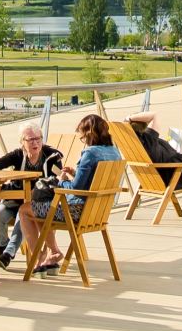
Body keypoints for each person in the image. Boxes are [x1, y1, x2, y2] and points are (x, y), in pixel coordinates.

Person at [20, 114, 121, 274]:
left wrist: (61, 180)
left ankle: (39, 257)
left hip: (75, 211)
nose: (82, 139)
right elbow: (90, 182)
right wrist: (74, 173)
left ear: (89, 134)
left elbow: (76, 187)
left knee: (25, 210)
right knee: (41, 208)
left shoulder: (90, 153)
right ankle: (53, 253)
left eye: (82, 136)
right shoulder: (115, 153)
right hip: (97, 213)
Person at [0, 122, 65, 270]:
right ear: (22, 142)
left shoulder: (51, 156)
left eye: (38, 139)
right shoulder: (18, 155)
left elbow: (58, 180)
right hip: (13, 201)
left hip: (37, 205)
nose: (35, 142)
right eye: (30, 140)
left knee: (22, 216)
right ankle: (3, 245)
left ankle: (9, 253)